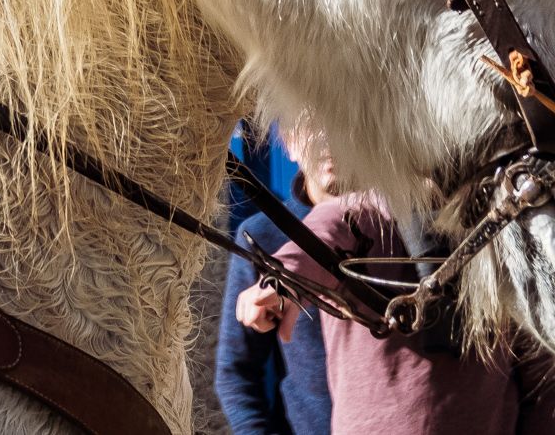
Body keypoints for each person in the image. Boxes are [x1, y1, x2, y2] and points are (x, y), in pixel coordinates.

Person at [236, 189, 555, 433]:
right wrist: (282, 284)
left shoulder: (500, 223)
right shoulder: (360, 213)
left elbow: (542, 368)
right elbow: (321, 238)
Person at [215, 121, 335, 435]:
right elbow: (235, 373)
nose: (328, 142)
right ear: (291, 144)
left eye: (340, 124)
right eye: (313, 126)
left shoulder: (395, 230)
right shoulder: (261, 236)